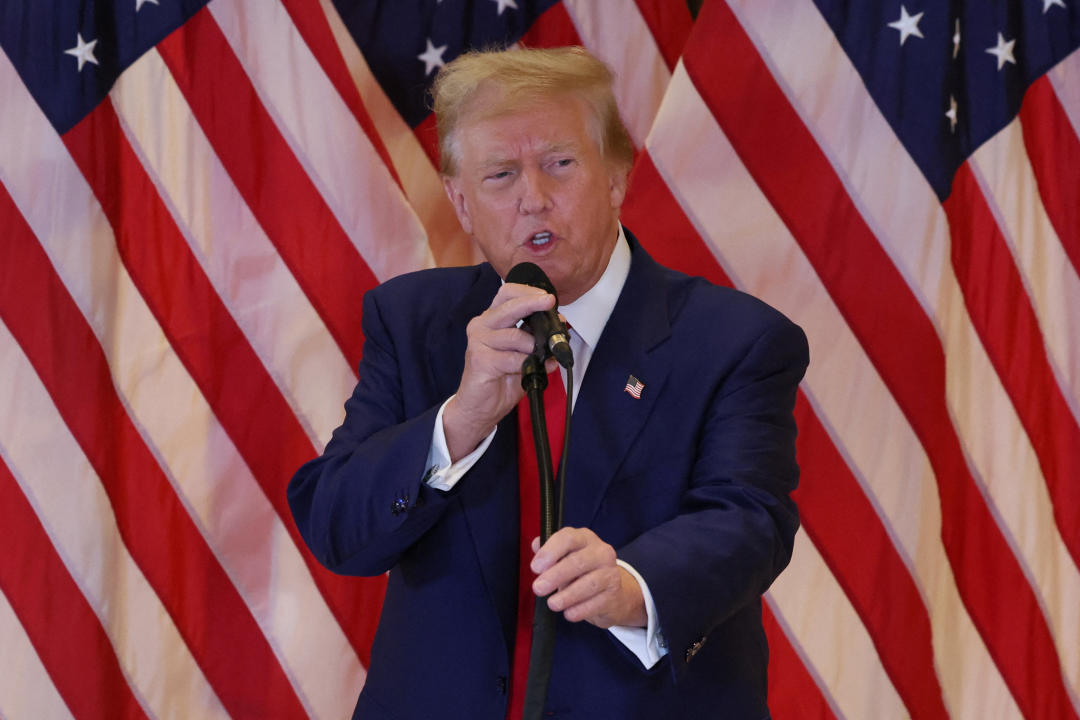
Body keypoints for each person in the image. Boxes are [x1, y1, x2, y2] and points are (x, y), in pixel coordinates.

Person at [288, 46, 809, 720]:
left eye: (559, 164)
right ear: (461, 202)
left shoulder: (733, 340)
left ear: (616, 175)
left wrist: (632, 586)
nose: (533, 197)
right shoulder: (413, 322)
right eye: (500, 174)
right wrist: (462, 419)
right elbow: (337, 526)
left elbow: (749, 519)